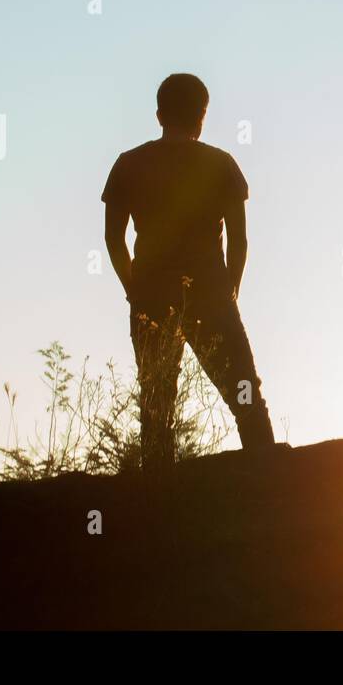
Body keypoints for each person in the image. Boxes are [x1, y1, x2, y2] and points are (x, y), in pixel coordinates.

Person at [102, 73, 277, 468]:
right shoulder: (220, 165)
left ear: (160, 114)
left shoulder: (129, 165)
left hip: (150, 295)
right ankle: (272, 482)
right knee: (245, 393)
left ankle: (159, 503)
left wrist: (134, 290)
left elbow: (113, 239)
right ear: (201, 116)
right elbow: (240, 240)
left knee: (157, 403)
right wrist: (229, 289)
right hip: (211, 293)